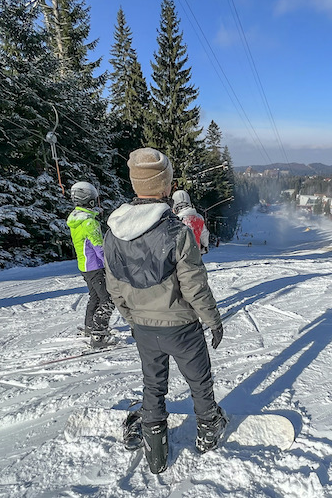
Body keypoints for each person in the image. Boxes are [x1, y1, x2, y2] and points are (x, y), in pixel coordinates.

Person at [102, 148, 227, 474]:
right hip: (181, 327)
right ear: (166, 186)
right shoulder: (177, 232)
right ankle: (208, 430)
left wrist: (132, 319)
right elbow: (195, 286)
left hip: (144, 327)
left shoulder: (113, 233)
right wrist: (212, 320)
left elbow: (114, 286)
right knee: (199, 381)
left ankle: (156, 455)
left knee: (153, 385)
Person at [66, 181, 115, 348]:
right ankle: (99, 335)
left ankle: (90, 326)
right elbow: (99, 247)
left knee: (95, 296)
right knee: (107, 298)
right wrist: (110, 263)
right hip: (95, 266)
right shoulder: (89, 222)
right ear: (90, 201)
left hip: (85, 266)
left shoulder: (76, 219)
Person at [171, 189, 210, 254]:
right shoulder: (199, 218)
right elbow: (204, 235)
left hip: (180, 254)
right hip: (196, 252)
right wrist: (205, 246)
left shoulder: (176, 220)